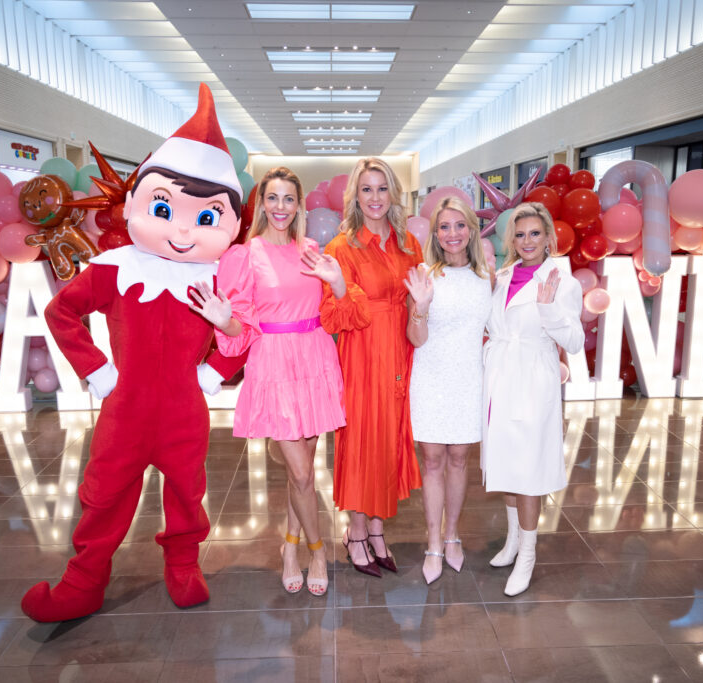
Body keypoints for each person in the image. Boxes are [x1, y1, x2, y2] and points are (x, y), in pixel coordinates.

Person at [21, 83, 247, 621]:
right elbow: (61, 313)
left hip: (184, 408)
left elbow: (244, 332)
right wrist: (97, 372)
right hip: (125, 405)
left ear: (230, 223)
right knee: (105, 493)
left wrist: (214, 374)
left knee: (189, 493)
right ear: (139, 202)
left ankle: (183, 564)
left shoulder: (223, 274)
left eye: (208, 217)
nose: (184, 229)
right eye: (166, 207)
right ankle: (84, 580)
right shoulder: (117, 266)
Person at [190, 167, 346, 597]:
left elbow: (335, 305)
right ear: (261, 205)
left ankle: (290, 547)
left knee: (305, 474)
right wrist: (225, 322)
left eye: (288, 199)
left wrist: (337, 283)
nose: (280, 207)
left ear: (299, 205)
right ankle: (318, 550)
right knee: (299, 474)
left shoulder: (311, 249)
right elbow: (242, 330)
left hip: (314, 358)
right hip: (274, 365)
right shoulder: (245, 255)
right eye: (272, 199)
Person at [316, 157, 423, 577]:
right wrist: (343, 289)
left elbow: (416, 299)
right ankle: (356, 531)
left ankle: (378, 531)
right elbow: (331, 317)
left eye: (382, 188)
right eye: (367, 189)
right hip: (361, 355)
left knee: (390, 442)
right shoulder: (341, 248)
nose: (375, 197)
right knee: (362, 442)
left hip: (400, 351)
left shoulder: (408, 244)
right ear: (355, 196)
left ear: (393, 193)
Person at [482, 202, 583, 597]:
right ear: (511, 239)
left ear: (548, 238)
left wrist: (547, 308)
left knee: (528, 471)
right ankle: (511, 542)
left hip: (532, 379)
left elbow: (573, 342)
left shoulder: (564, 281)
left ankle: (528, 554)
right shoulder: (502, 276)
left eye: (535, 234)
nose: (527, 241)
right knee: (505, 464)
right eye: (520, 234)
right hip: (499, 380)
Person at [404, 196, 492, 584]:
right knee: (434, 461)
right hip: (431, 377)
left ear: (472, 229)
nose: (452, 234)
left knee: (459, 459)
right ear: (435, 234)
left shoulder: (486, 276)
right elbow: (415, 337)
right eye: (444, 227)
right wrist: (420, 306)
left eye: (459, 225)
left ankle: (453, 533)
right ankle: (433, 541)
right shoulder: (424, 274)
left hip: (469, 378)